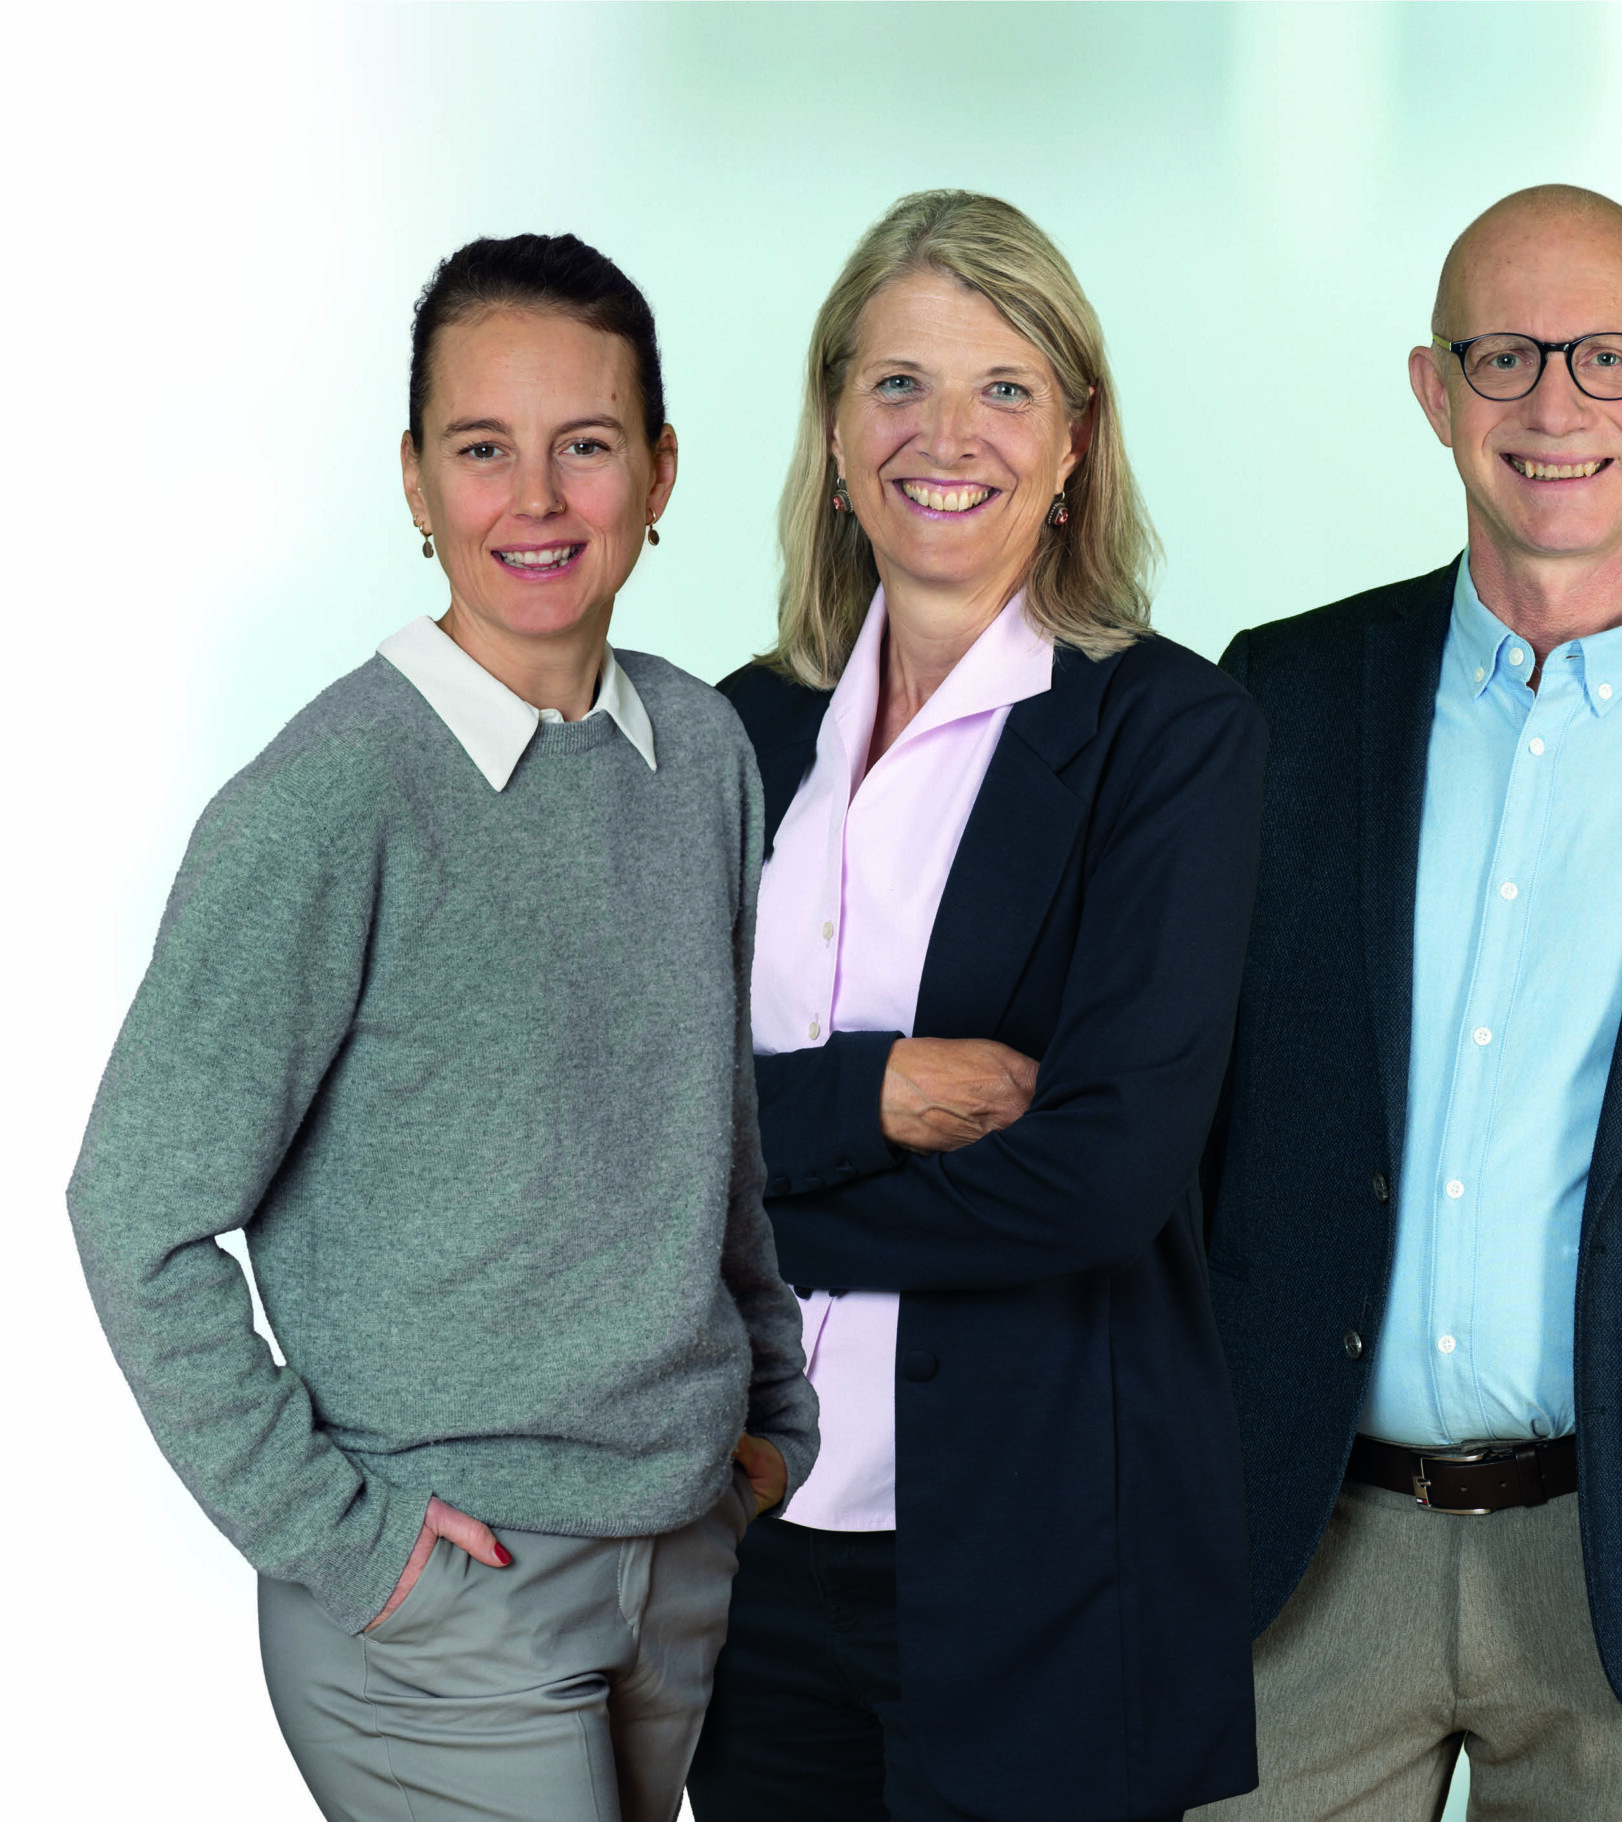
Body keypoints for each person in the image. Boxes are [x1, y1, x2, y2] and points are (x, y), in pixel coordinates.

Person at [65, 233, 819, 1822]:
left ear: (661, 470)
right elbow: (134, 1206)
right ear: (414, 479)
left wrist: (770, 1414)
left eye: (585, 445)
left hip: (679, 1546)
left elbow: (720, 1136)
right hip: (445, 1587)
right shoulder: (330, 797)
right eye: (482, 449)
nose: (534, 499)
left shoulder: (702, 752)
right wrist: (347, 1542)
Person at [1192, 186, 1622, 1822]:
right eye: (1504, 357)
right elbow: (1191, 1114)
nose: (1555, 405)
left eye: (1607, 356)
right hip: (1299, 1549)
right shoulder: (1282, 694)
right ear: (1435, 389)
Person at [685, 190, 1266, 1822]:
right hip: (749, 1546)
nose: (947, 436)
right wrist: (877, 1096)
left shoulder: (1170, 734)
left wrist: (744, 1209)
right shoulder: (735, 731)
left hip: (1040, 1560)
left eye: (1005, 388)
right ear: (834, 426)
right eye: (899, 384)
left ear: (1076, 440)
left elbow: (1102, 1176)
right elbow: (627, 1116)